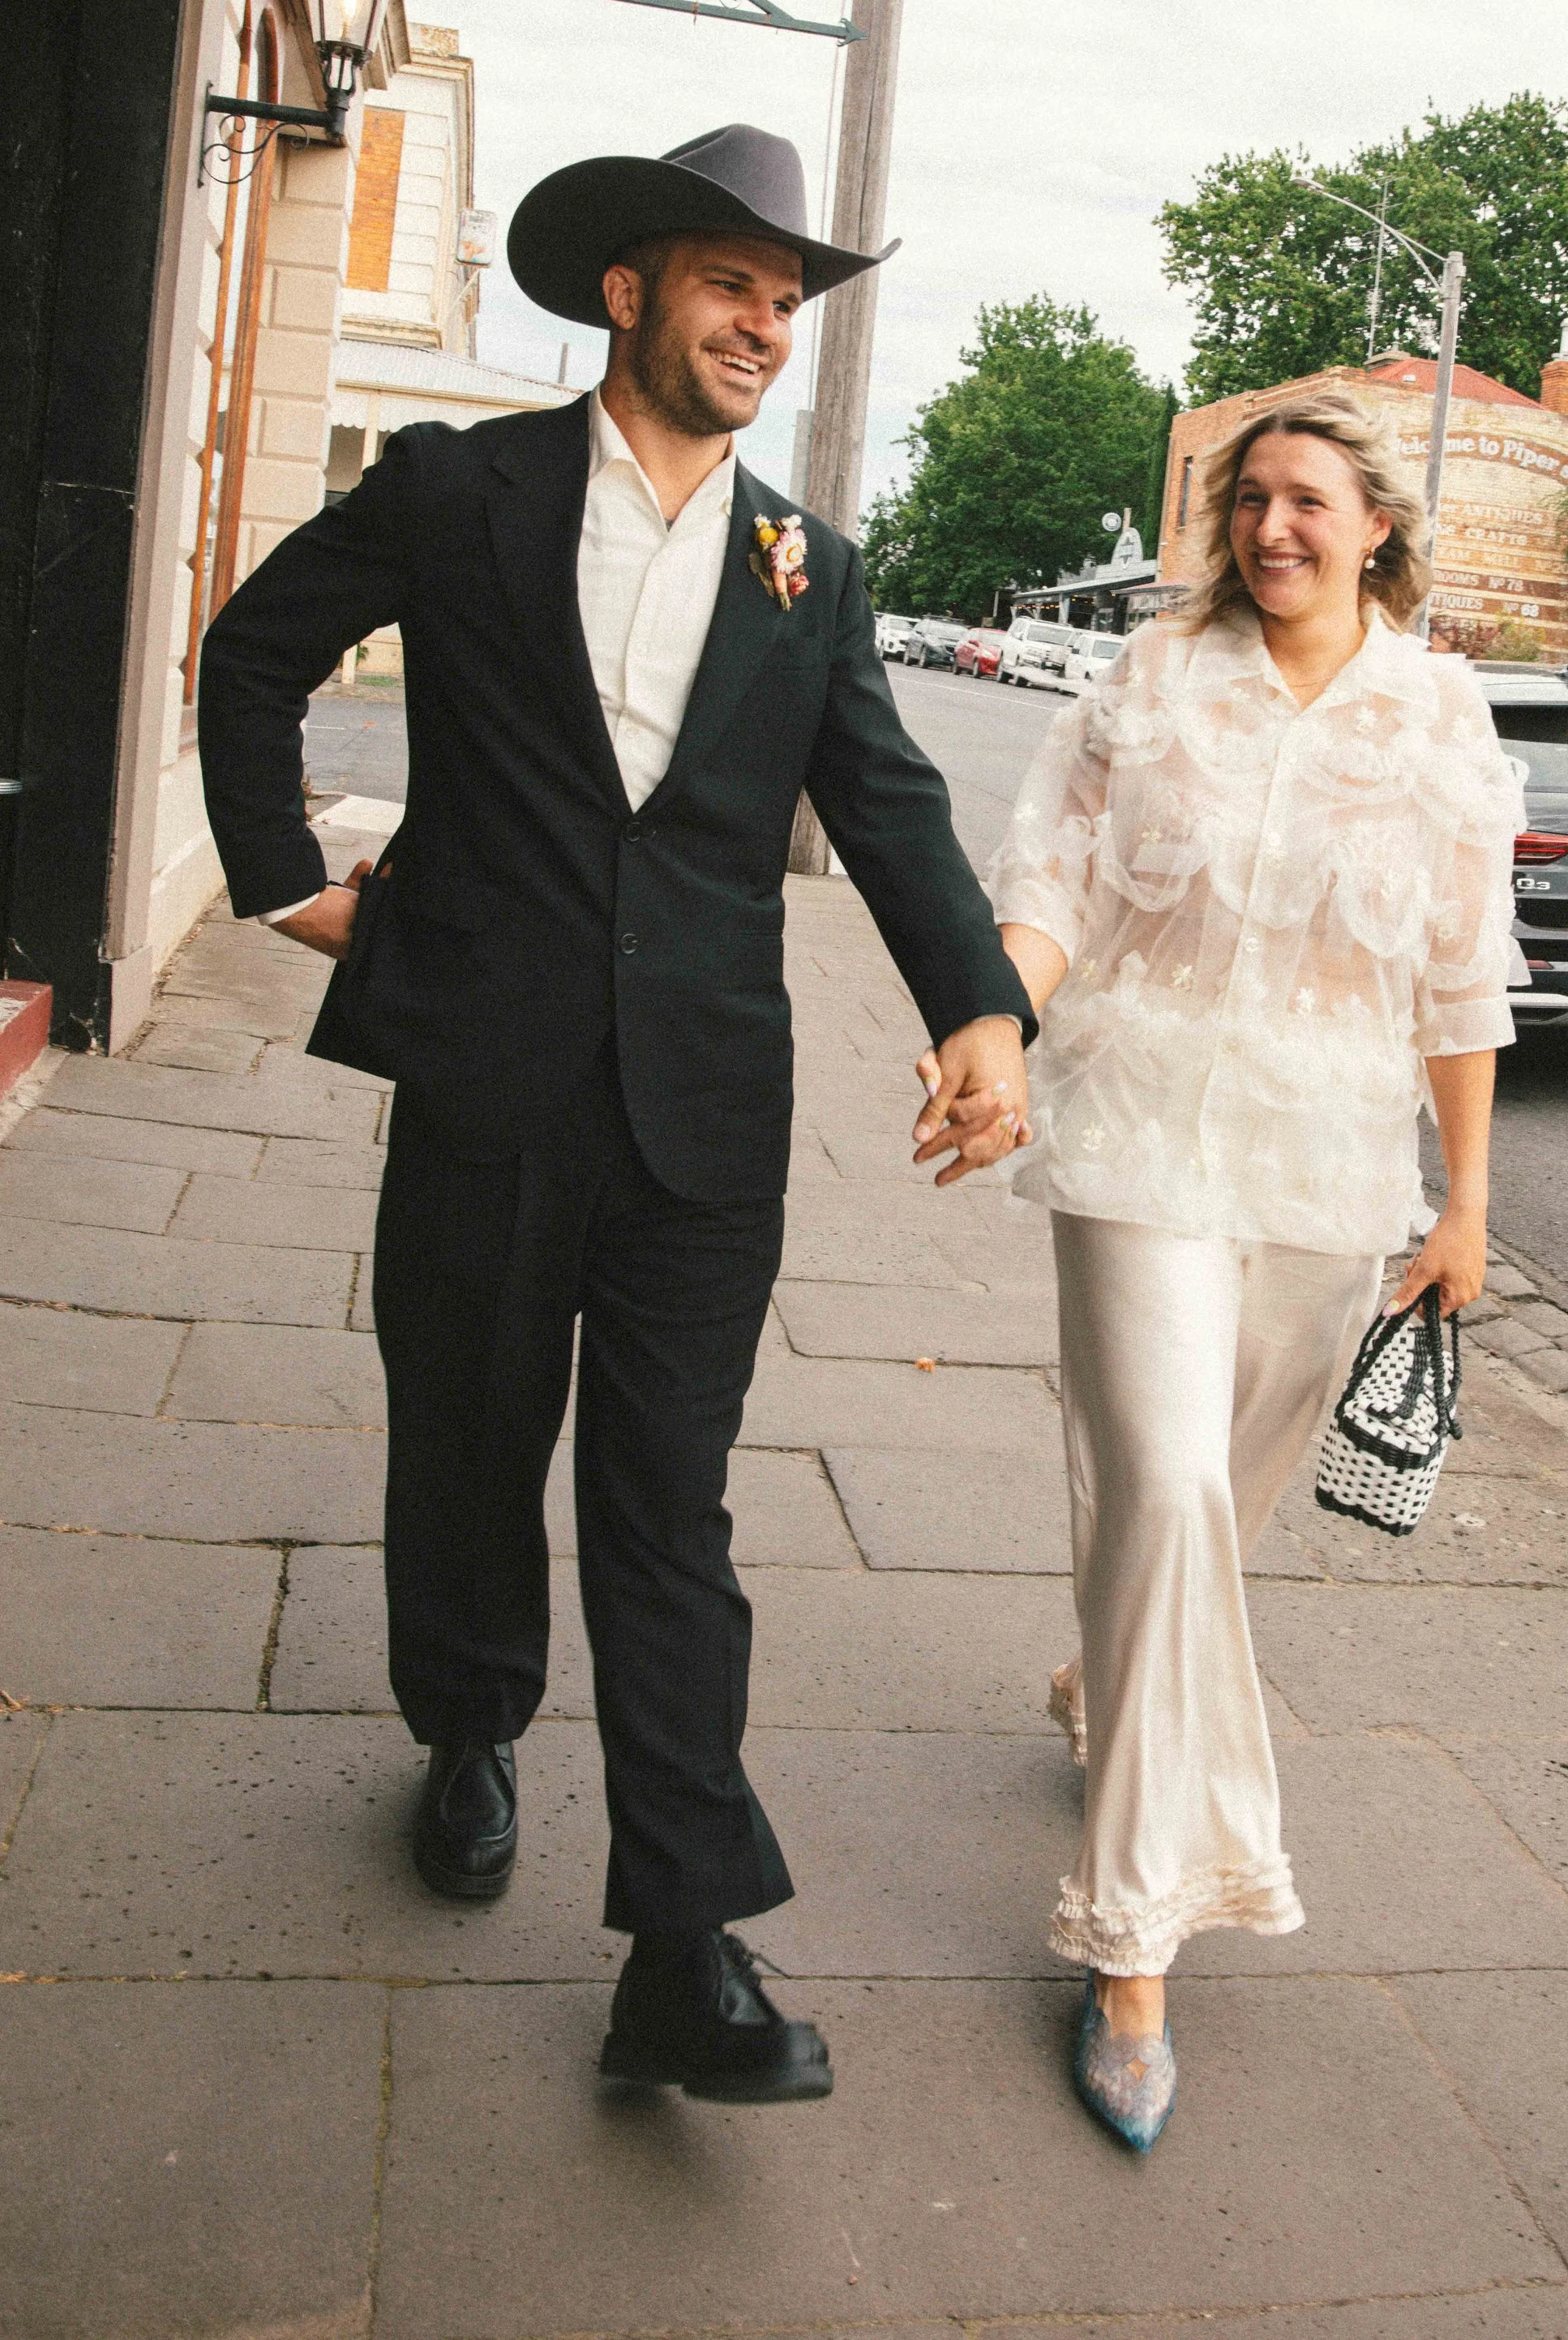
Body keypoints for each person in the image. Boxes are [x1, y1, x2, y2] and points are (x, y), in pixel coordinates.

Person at [199, 123, 1033, 2106]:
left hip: (706, 1114)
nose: (767, 324)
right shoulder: (460, 488)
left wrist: (982, 1013)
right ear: (628, 292)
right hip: (487, 1070)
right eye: (733, 283)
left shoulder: (807, 564)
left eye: (792, 298)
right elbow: (253, 652)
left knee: (669, 1505)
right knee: (473, 1437)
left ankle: (684, 1939)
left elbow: (888, 804)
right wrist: (282, 879)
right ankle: (470, 1724)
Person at [987, 390, 1523, 2149]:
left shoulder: (1439, 717)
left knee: (1214, 1499)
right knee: (1160, 1478)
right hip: (1134, 1127)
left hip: (1327, 1170)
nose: (1269, 530)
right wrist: (994, 1026)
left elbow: (1460, 976)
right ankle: (1134, 1930)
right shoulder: (1143, 685)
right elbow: (1050, 876)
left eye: (1306, 502)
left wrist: (1461, 1208)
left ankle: (1101, 1677)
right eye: (1246, 503)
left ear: (1376, 526)